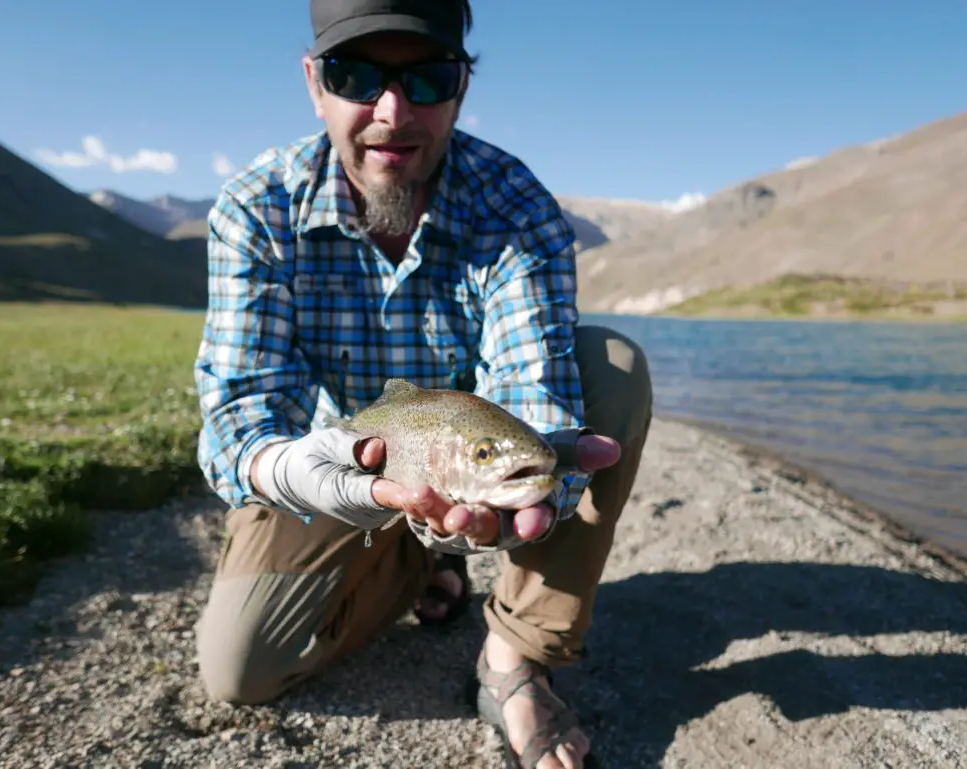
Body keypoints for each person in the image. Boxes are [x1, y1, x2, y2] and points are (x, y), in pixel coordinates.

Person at [192, 2, 653, 768]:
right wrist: (303, 473)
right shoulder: (257, 208)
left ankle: (514, 657)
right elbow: (239, 416)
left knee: (613, 369)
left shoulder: (515, 205)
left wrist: (518, 499)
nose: (391, 112)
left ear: (462, 84)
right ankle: (414, 560)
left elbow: (534, 396)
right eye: (355, 75)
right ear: (314, 83)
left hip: (465, 459)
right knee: (241, 667)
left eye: (427, 78)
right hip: (330, 465)